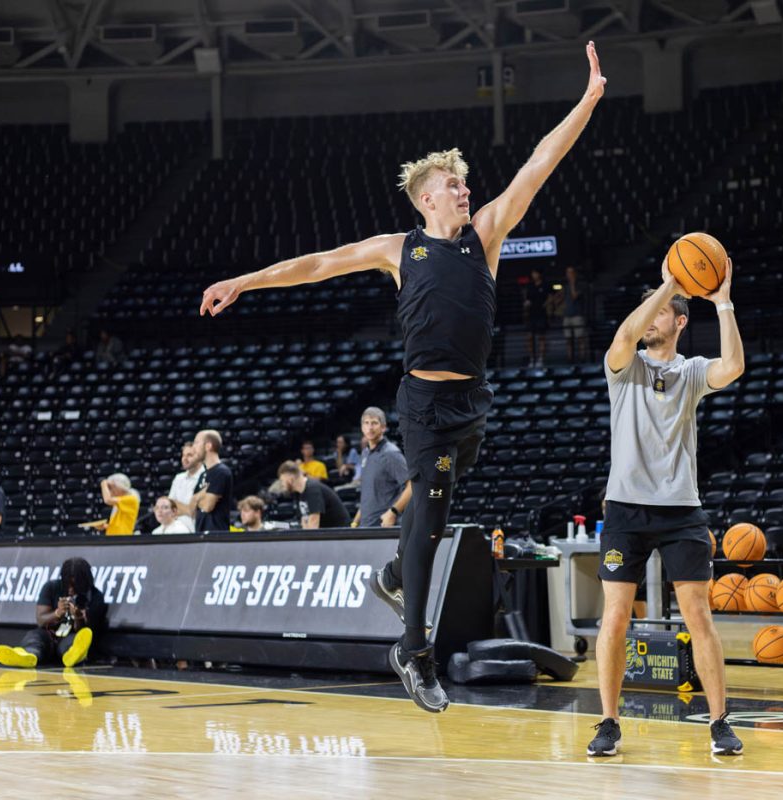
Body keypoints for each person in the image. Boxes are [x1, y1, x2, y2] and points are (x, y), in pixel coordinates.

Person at [199, 42, 605, 713]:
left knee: (428, 521)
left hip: (471, 400)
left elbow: (542, 162)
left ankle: (393, 576)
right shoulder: (399, 250)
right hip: (421, 400)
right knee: (432, 522)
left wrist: (587, 100)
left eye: (465, 183)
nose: (465, 188)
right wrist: (245, 280)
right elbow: (318, 264)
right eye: (453, 184)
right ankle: (414, 652)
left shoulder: (487, 234)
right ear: (425, 198)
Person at [587, 256, 745, 758]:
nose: (648, 318)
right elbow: (625, 333)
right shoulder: (624, 366)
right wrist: (669, 283)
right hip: (626, 510)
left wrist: (722, 303)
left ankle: (719, 721)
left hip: (681, 510)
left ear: (679, 322)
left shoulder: (692, 372)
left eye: (661, 313)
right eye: (646, 311)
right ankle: (609, 721)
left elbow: (734, 366)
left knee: (699, 616)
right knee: (614, 618)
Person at [0, 557, 106, 669]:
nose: (71, 589)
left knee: (74, 642)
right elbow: (41, 620)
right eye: (68, 584)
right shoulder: (51, 587)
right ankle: (26, 656)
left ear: (85, 582)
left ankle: (75, 656)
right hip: (49, 633)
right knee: (35, 638)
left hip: (70, 635)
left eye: (76, 585)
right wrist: (57, 613)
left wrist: (77, 617)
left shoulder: (95, 597)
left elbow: (85, 630)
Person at [353, 407, 411, 528]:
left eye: (374, 423)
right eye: (366, 423)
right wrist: (355, 522)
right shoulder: (365, 453)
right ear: (362, 427)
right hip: (365, 526)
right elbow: (368, 493)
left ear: (383, 427)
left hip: (383, 527)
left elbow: (413, 486)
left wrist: (393, 512)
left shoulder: (391, 453)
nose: (370, 427)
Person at [277, 462, 350, 529]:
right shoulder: (298, 493)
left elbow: (313, 526)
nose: (282, 484)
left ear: (290, 478)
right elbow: (304, 521)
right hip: (326, 536)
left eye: (282, 480)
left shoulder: (312, 489)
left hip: (339, 535)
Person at [190, 429, 233, 532]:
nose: (193, 447)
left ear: (208, 446)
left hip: (217, 536)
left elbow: (207, 506)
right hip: (200, 534)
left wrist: (197, 499)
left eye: (196, 442)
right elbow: (191, 508)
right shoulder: (202, 475)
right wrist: (201, 495)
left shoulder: (221, 472)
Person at [167, 441, 205, 531]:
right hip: (175, 528)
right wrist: (188, 509)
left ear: (199, 457)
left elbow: (198, 511)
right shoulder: (178, 478)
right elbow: (169, 506)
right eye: (183, 455)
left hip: (196, 530)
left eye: (189, 455)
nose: (184, 458)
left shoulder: (206, 476)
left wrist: (178, 505)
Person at [555, 266, 590, 363]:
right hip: (567, 315)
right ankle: (570, 358)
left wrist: (572, 283)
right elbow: (559, 298)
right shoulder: (565, 286)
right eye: (567, 273)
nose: (568, 275)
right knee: (568, 339)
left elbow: (574, 295)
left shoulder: (580, 285)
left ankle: (582, 357)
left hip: (577, 315)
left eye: (570, 272)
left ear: (574, 273)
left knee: (580, 338)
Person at [523, 268, 552, 368]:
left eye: (535, 273)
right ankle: (532, 358)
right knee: (529, 337)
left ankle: (541, 359)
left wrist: (548, 304)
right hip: (531, 315)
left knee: (541, 337)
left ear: (539, 274)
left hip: (542, 314)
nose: (534, 275)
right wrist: (526, 305)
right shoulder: (530, 286)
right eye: (532, 273)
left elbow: (552, 296)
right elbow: (527, 299)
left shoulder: (545, 285)